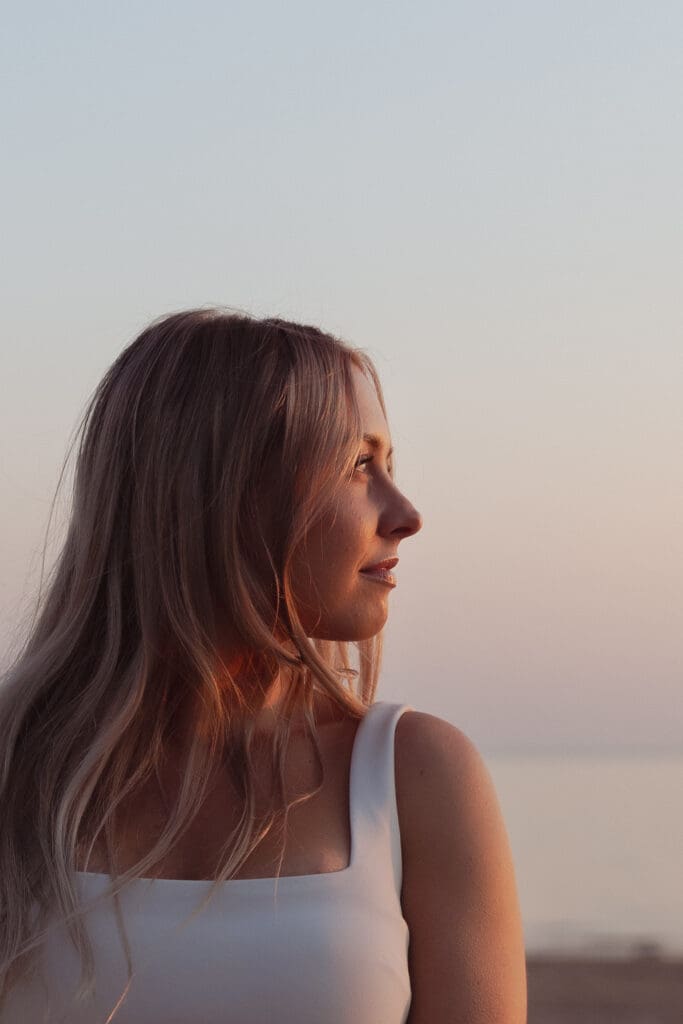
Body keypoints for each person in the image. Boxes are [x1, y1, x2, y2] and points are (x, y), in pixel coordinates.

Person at [0, 308, 526, 1022]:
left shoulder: (413, 777)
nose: (404, 514)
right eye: (358, 464)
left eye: (389, 466)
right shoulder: (15, 772)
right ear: (223, 490)